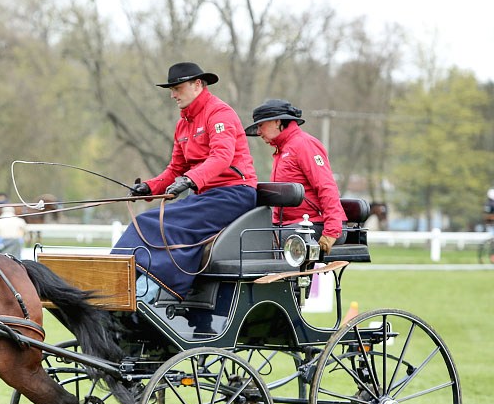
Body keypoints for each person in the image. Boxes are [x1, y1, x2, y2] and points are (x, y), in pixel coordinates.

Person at [111, 62, 258, 300]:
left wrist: (190, 179)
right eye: (171, 89)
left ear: (197, 84)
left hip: (234, 194)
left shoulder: (220, 113)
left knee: (149, 221)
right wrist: (149, 187)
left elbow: (221, 157)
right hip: (204, 197)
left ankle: (140, 293)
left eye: (177, 88)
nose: (172, 95)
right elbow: (175, 169)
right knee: (150, 221)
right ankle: (123, 286)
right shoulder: (183, 124)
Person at [246, 99, 347, 254]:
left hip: (318, 225)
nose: (258, 132)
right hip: (293, 225)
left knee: (261, 244)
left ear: (277, 121)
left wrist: (332, 231)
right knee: (249, 237)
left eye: (261, 125)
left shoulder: (303, 144)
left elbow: (326, 186)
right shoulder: (284, 150)